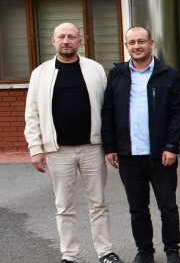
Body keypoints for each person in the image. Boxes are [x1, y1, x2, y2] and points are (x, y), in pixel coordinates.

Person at [23, 22, 124, 263]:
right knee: (64, 207)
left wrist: (110, 146)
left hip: (92, 148)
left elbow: (107, 110)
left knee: (98, 204)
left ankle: (105, 252)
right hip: (58, 151)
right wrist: (35, 149)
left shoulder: (94, 69)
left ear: (81, 41)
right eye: (61, 36)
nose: (66, 40)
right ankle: (69, 256)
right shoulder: (41, 73)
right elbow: (32, 113)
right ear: (53, 41)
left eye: (71, 36)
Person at [101, 26, 180, 263]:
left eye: (141, 41)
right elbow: (107, 112)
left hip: (161, 155)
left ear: (151, 43)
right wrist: (109, 147)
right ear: (126, 45)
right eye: (131, 42)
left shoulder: (169, 74)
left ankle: (172, 250)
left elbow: (178, 113)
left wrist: (171, 146)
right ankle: (145, 251)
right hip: (129, 154)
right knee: (137, 208)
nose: (136, 46)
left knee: (167, 206)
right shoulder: (117, 75)